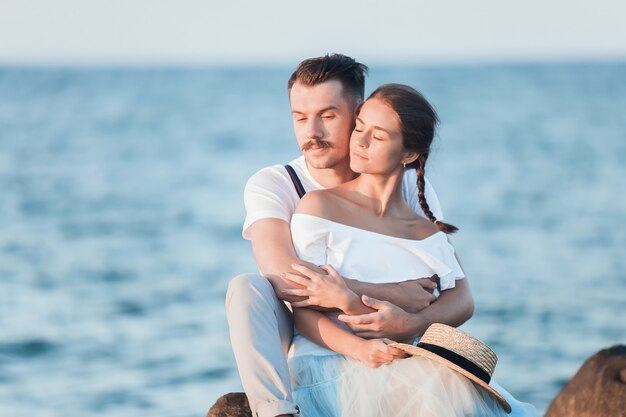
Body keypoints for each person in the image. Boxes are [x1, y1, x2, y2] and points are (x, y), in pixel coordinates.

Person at [226, 54, 474, 417]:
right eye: (300, 117)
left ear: (359, 112)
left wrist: (413, 321)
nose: (311, 133)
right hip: (304, 326)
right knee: (248, 288)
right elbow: (288, 282)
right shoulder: (278, 184)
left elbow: (455, 289)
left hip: (391, 337)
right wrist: (390, 291)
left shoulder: (409, 189)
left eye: (327, 116)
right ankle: (277, 411)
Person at [282, 83, 538, 416]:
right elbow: (302, 312)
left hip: (403, 361)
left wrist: (410, 322)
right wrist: (360, 349)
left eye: (378, 135)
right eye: (359, 127)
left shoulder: (425, 232)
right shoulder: (318, 208)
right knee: (436, 392)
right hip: (327, 363)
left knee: (450, 390)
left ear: (408, 154)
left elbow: (461, 301)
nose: (359, 141)